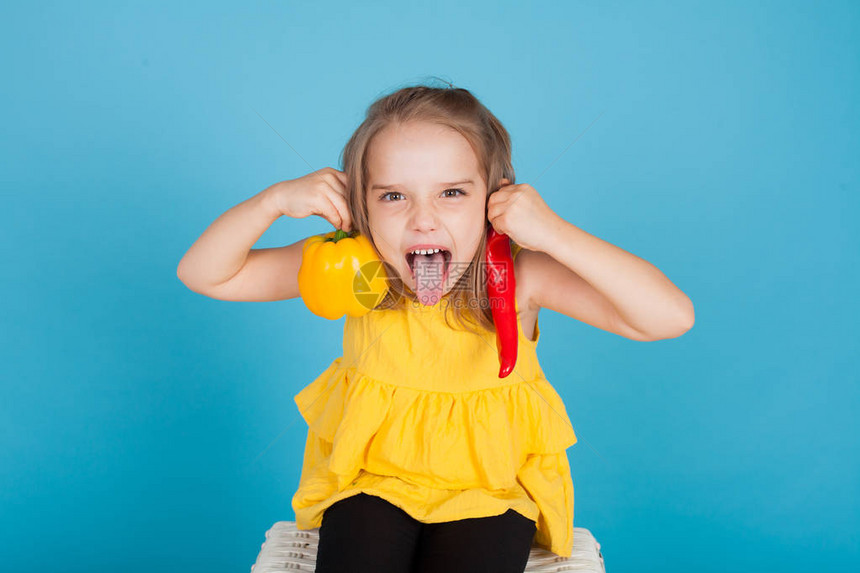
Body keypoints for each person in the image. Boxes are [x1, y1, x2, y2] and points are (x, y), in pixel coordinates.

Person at [177, 83, 695, 573]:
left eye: (451, 192)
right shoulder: (354, 267)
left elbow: (668, 317)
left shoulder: (520, 276)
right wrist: (271, 202)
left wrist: (554, 234)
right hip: (372, 483)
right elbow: (204, 274)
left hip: (489, 490)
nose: (423, 220)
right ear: (360, 207)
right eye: (393, 196)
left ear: (496, 201)